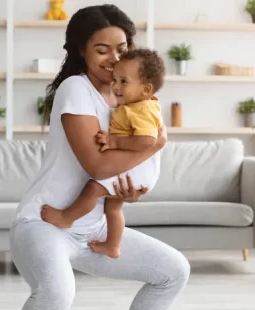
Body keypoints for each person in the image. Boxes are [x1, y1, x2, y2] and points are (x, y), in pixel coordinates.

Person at [8, 5, 190, 310]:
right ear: (80, 50)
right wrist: (154, 145)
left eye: (121, 48)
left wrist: (128, 191)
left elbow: (116, 171)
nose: (112, 59)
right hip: (44, 223)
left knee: (173, 270)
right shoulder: (75, 89)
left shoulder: (128, 96)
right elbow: (97, 163)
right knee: (58, 292)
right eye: (101, 50)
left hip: (93, 228)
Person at [40, 47, 166, 259]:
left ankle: (66, 217)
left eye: (123, 82)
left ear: (145, 89)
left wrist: (113, 140)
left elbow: (147, 141)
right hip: (139, 168)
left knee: (92, 188)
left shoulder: (142, 109)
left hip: (138, 167)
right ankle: (113, 246)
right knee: (113, 207)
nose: (115, 86)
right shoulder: (138, 105)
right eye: (115, 80)